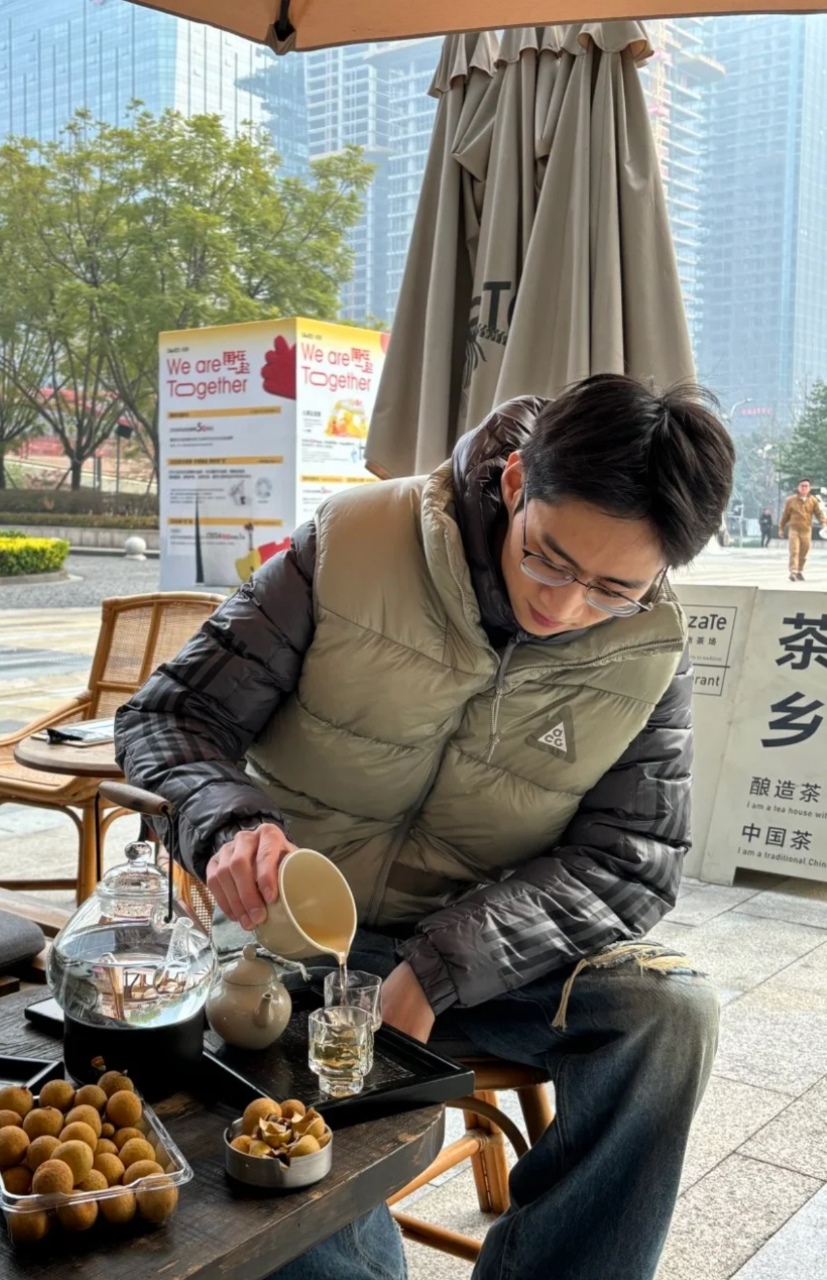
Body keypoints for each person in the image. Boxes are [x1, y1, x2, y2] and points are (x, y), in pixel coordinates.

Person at [115, 374, 735, 1280]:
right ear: (516, 480)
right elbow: (171, 716)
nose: (564, 607)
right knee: (287, 1189)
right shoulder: (355, 542)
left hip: (489, 950)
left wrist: (441, 967)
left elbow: (631, 861)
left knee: (670, 1015)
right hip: (294, 930)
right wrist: (228, 820)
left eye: (613, 588)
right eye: (549, 559)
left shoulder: (648, 648)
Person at [779, 478, 827, 581]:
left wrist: (824, 523)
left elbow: (819, 514)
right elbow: (785, 516)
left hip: (806, 529)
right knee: (794, 550)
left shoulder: (813, 500)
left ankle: (799, 571)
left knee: (804, 552)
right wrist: (781, 528)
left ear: (809, 488)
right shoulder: (791, 500)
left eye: (806, 486)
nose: (804, 488)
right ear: (798, 487)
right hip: (794, 529)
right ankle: (793, 571)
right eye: (802, 486)